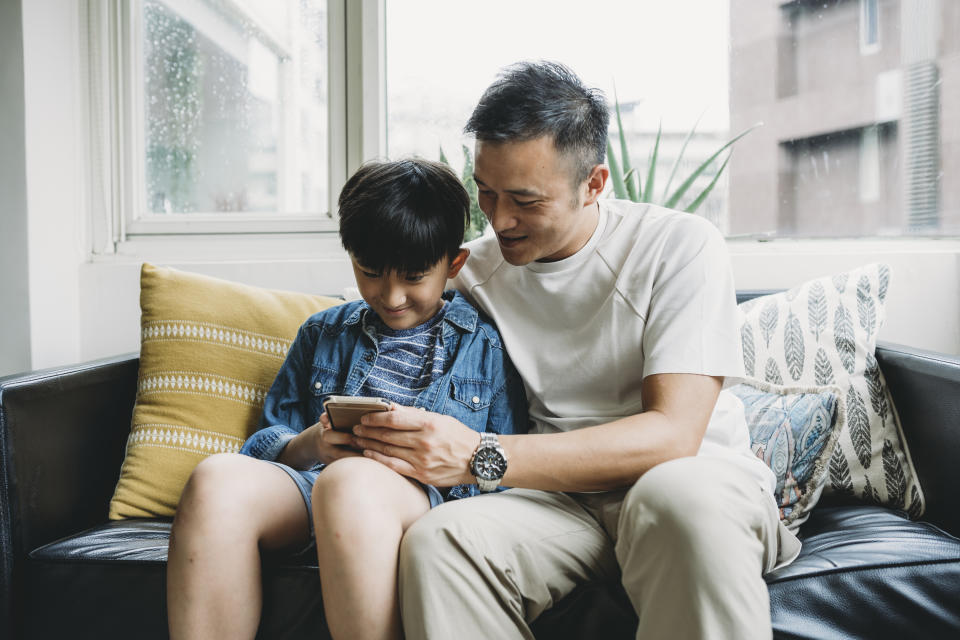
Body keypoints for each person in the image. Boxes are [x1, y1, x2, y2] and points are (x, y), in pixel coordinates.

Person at [351, 62, 802, 640]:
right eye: (485, 193)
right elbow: (374, 312)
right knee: (442, 542)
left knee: (674, 497)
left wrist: (478, 455)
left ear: (594, 184)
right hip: (560, 505)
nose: (499, 219)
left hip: (694, 484)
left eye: (524, 200)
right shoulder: (472, 270)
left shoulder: (678, 247)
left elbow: (672, 436)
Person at [166, 158, 528, 640]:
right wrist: (311, 444)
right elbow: (270, 443)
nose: (392, 295)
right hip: (312, 492)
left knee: (351, 482)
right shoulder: (323, 332)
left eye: (414, 277)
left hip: (424, 501)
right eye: (371, 272)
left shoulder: (482, 348)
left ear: (454, 264)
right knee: (217, 479)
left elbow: (504, 470)